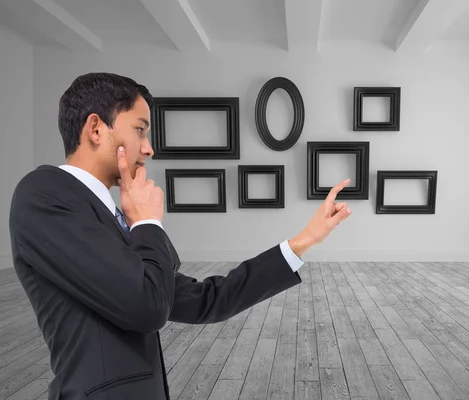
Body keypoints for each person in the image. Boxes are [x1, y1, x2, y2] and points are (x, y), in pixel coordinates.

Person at [8, 72, 352, 400]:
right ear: (96, 128)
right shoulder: (44, 194)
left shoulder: (112, 220)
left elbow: (206, 301)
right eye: (140, 130)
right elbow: (148, 306)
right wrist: (146, 224)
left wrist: (304, 241)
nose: (148, 148)